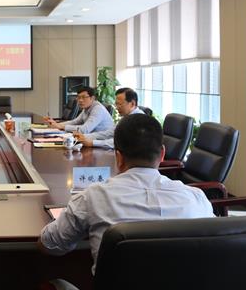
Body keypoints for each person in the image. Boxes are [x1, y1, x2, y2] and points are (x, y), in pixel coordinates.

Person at [38, 114, 214, 274]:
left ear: (118, 157)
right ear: (162, 154)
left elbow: (50, 244)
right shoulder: (197, 198)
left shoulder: (93, 196)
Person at [75, 87, 144, 149]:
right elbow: (108, 133)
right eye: (116, 104)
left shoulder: (138, 119)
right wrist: (84, 136)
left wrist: (92, 143)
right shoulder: (126, 117)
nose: (117, 107)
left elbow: (121, 142)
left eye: (120, 104)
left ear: (132, 104)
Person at [45, 86, 113, 134]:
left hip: (102, 143)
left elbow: (84, 130)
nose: (80, 100)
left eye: (83, 97)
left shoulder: (98, 109)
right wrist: (56, 124)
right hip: (90, 138)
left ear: (92, 98)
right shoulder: (86, 108)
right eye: (78, 97)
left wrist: (61, 126)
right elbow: (75, 122)